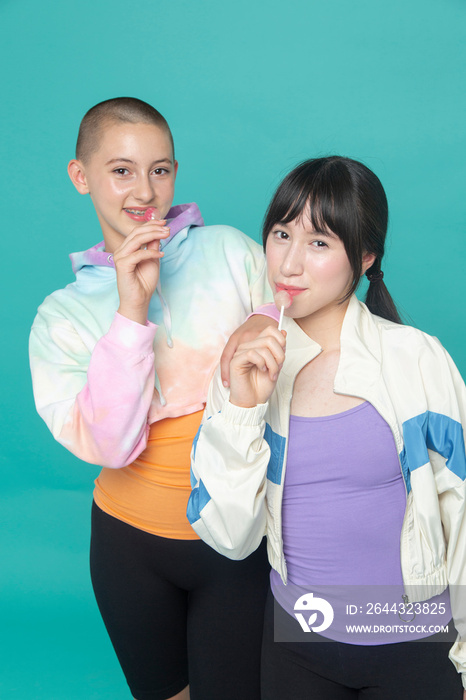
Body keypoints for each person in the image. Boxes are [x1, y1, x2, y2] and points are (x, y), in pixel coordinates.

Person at [188, 156, 466, 699]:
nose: (289, 263)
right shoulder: (242, 363)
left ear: (364, 258)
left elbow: (462, 510)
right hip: (300, 644)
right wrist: (244, 407)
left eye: (319, 243)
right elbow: (229, 536)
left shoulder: (415, 359)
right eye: (281, 234)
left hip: (413, 644)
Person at [29, 97, 275, 700]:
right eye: (121, 170)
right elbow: (111, 445)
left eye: (160, 169)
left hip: (237, 541)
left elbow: (288, 387)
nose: (144, 190)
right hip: (128, 547)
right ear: (80, 176)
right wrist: (130, 310)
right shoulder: (60, 317)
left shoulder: (231, 253)